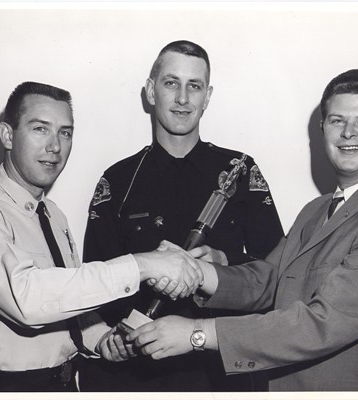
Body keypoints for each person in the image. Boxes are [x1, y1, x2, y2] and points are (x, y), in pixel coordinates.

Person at [130, 69, 358, 391]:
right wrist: (196, 271)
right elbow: (269, 280)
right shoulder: (316, 210)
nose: (348, 133)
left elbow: (321, 324)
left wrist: (197, 334)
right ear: (323, 128)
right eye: (337, 120)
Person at [0, 81, 203, 392]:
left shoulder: (53, 215)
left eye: (65, 132)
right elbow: (28, 299)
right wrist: (142, 265)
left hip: (65, 385)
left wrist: (102, 340)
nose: (54, 146)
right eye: (40, 129)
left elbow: (68, 303)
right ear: (7, 135)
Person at [80, 40, 284, 391]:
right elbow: (92, 279)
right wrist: (109, 337)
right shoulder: (118, 180)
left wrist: (224, 260)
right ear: (150, 91)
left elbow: (279, 272)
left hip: (221, 373)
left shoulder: (239, 170)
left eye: (195, 86)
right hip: (136, 375)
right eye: (171, 83)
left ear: (208, 96)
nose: (183, 98)